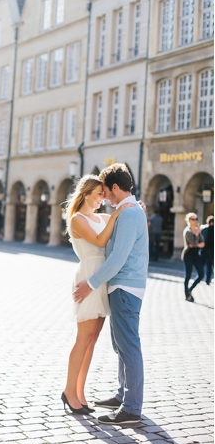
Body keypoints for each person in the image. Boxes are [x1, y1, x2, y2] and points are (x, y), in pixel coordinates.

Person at [73, 163, 148, 425]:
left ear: (115, 187)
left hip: (125, 286)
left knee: (128, 346)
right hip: (122, 286)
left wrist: (91, 283)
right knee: (121, 344)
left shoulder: (128, 214)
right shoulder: (128, 211)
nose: (104, 195)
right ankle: (122, 395)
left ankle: (131, 408)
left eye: (105, 190)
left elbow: (117, 258)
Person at [62, 175, 133, 415]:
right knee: (83, 338)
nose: (103, 198)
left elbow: (120, 223)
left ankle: (80, 393)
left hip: (101, 278)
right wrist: (116, 214)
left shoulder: (101, 217)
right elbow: (102, 239)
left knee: (92, 340)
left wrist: (134, 207)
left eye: (104, 194)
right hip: (88, 276)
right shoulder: (77, 219)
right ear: (86, 194)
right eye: (99, 194)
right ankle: (69, 392)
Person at [181, 212, 205, 302]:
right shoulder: (187, 231)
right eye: (193, 219)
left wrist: (198, 236)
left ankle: (190, 289)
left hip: (196, 255)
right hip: (188, 255)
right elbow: (193, 244)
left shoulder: (198, 230)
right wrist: (196, 235)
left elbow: (203, 243)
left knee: (201, 274)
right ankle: (187, 295)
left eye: (196, 219)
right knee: (188, 275)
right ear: (189, 220)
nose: (195, 221)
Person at [202, 215, 214, 286]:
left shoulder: (205, 229)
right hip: (211, 250)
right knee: (209, 265)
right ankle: (207, 279)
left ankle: (201, 277)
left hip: (206, 249)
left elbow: (203, 239)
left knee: (203, 264)